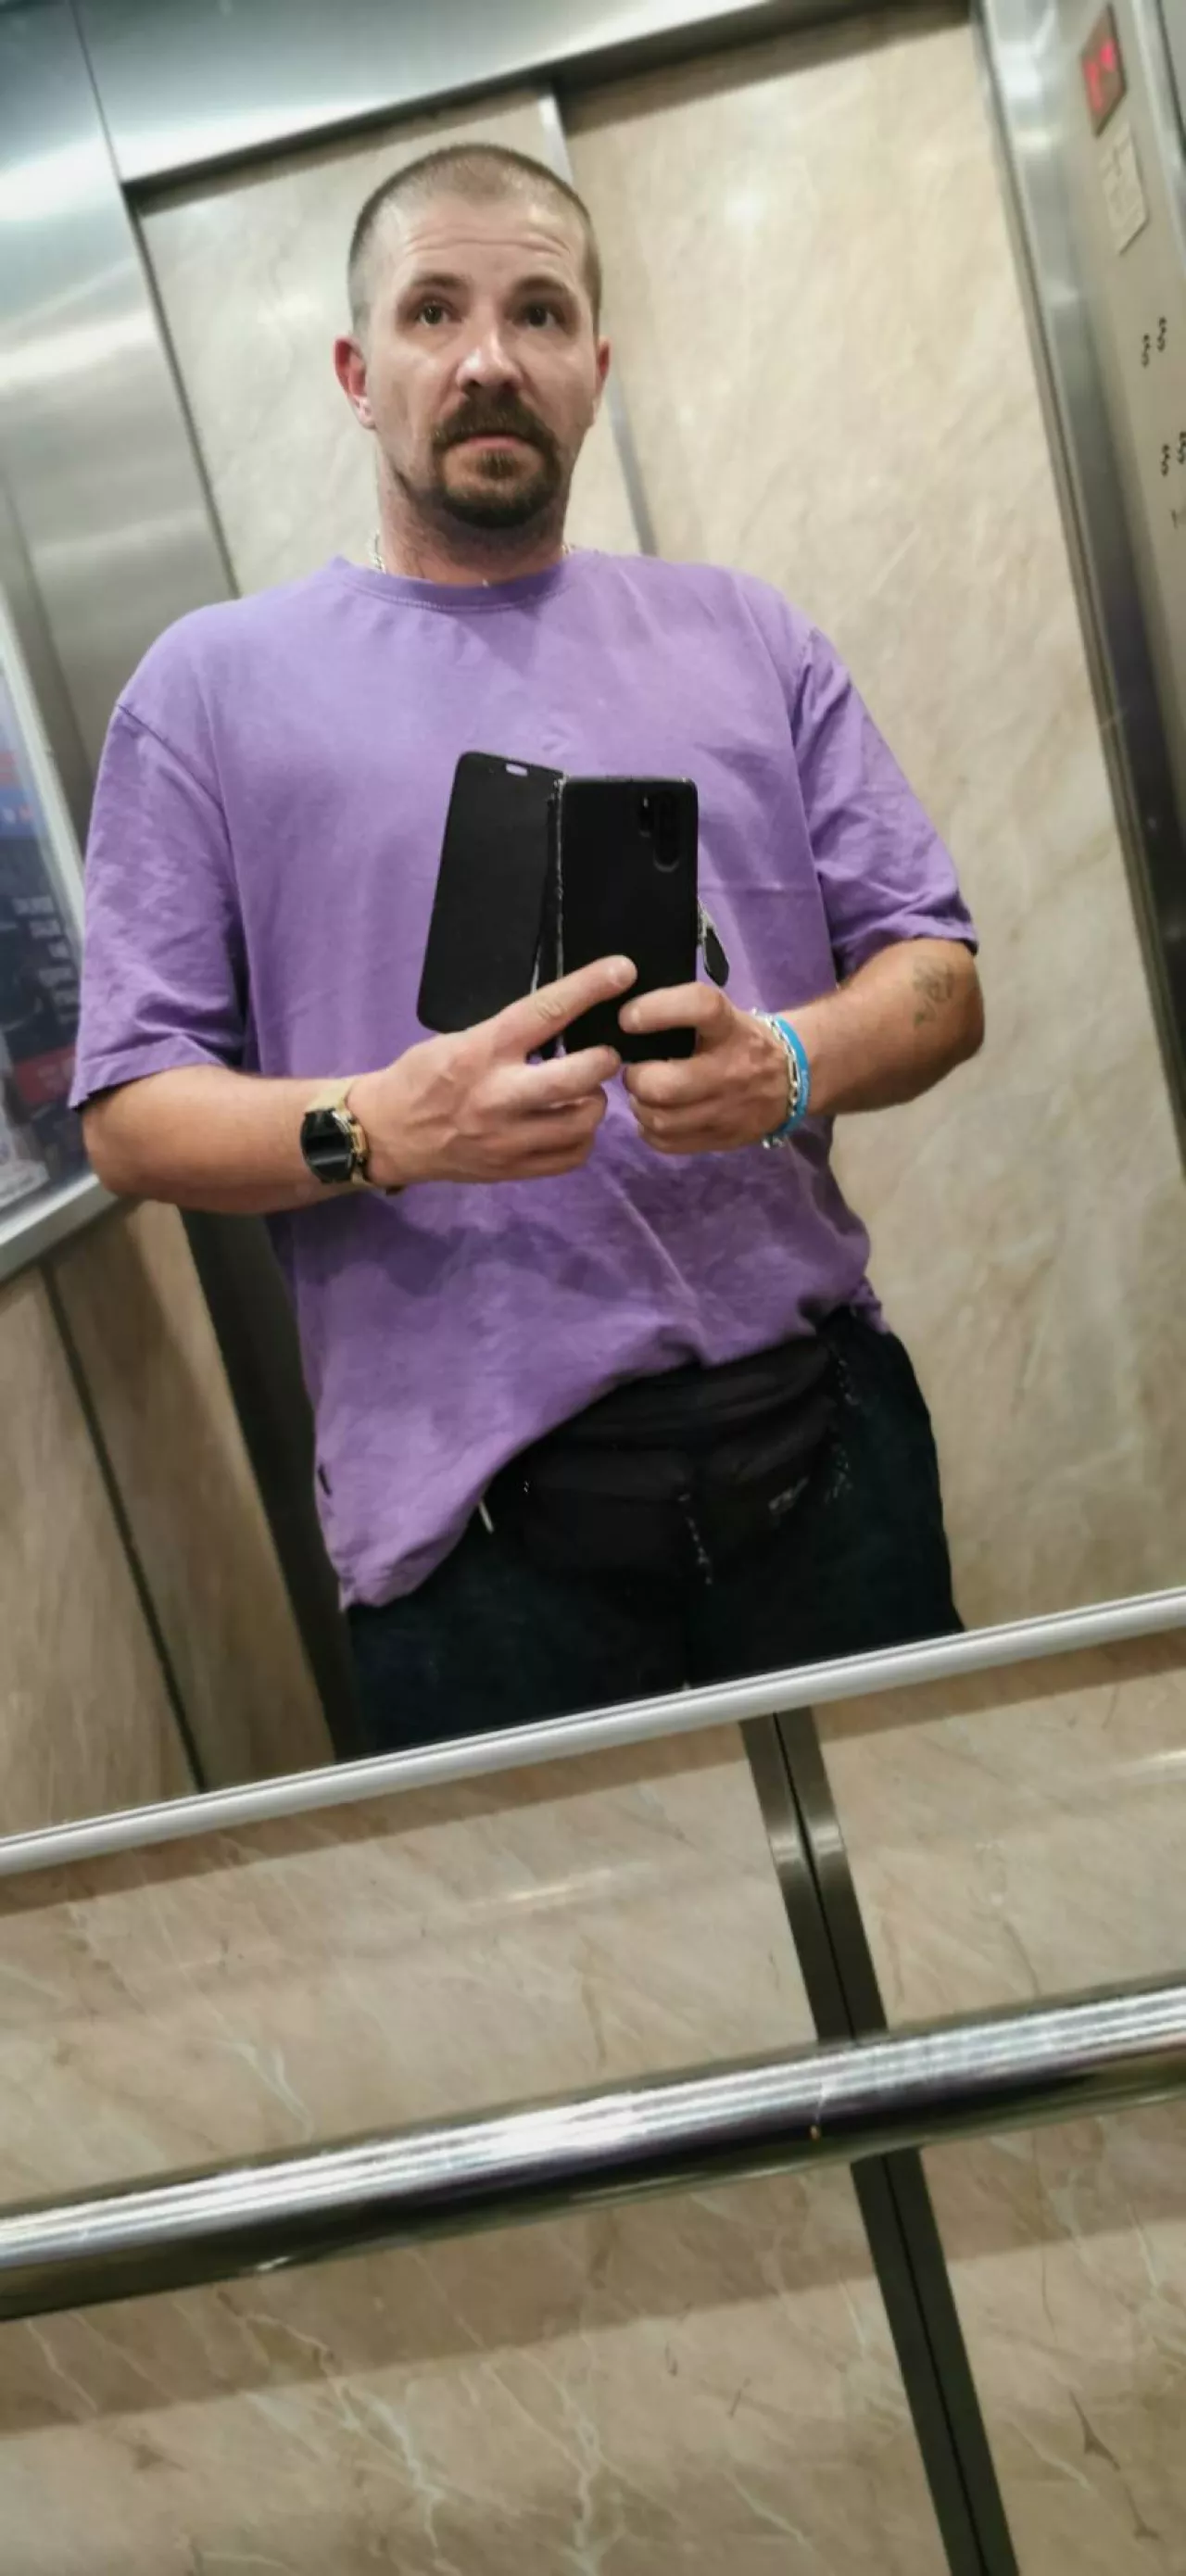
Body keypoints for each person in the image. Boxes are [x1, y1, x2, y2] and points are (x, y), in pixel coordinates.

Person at [73, 142, 984, 1749]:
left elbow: (939, 978)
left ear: (595, 371)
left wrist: (787, 1065)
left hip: (827, 1461)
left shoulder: (749, 635)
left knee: (929, 1896)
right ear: (357, 374)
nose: (488, 358)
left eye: (539, 314)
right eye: (433, 311)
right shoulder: (207, 694)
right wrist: (381, 1126)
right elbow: (131, 1114)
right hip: (475, 1558)